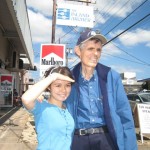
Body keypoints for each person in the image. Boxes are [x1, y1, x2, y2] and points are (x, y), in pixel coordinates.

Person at [64, 30, 138, 150]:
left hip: (106, 138)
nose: (96, 53)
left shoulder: (111, 76)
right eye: (90, 49)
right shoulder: (69, 79)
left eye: (98, 50)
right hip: (78, 140)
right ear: (78, 51)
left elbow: (125, 115)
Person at [22, 66, 75, 150]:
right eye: (58, 85)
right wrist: (53, 77)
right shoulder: (41, 107)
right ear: (49, 87)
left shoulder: (68, 109)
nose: (63, 90)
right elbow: (26, 99)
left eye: (67, 85)